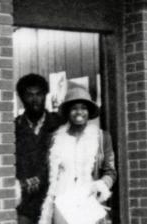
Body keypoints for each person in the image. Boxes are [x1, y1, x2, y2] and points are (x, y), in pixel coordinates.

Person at [39, 87, 116, 224]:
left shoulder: (101, 137)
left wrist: (100, 185)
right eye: (74, 108)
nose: (79, 112)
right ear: (68, 112)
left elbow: (110, 171)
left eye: (83, 108)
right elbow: (46, 173)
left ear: (89, 112)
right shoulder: (55, 139)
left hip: (88, 200)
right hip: (62, 201)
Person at [15, 74, 67, 224]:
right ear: (21, 98)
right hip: (26, 205)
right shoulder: (14, 127)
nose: (35, 99)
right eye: (29, 95)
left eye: (39, 94)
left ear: (45, 95)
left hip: (55, 199)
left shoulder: (59, 123)